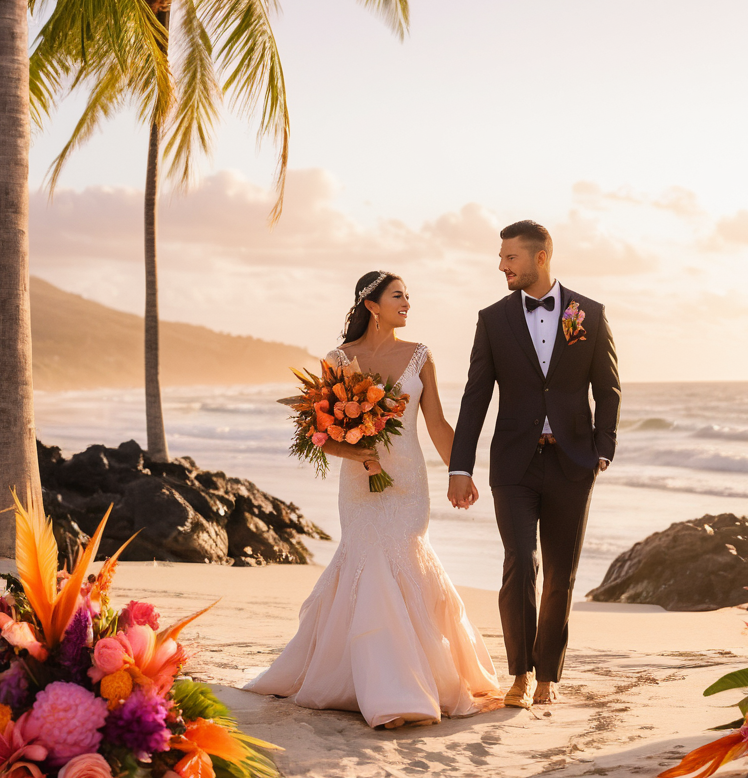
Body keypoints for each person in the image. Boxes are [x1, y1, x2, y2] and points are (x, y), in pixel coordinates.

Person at [246, 271, 499, 728]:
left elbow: (438, 424)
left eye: (409, 296)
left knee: (403, 556)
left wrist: (460, 472)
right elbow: (319, 432)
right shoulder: (339, 359)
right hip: (359, 484)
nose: (407, 303)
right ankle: (389, 688)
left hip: (407, 482)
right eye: (398, 296)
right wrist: (354, 449)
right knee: (368, 559)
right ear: (372, 305)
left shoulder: (420, 357)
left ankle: (408, 681)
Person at [448, 221, 620, 708]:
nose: (501, 265)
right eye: (502, 258)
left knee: (561, 573)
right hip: (514, 463)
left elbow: (607, 388)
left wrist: (602, 450)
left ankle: (549, 676)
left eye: (510, 258)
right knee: (520, 562)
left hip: (573, 462)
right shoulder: (493, 319)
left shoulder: (590, 313)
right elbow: (475, 396)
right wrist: (460, 466)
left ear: (540, 257)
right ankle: (519, 674)